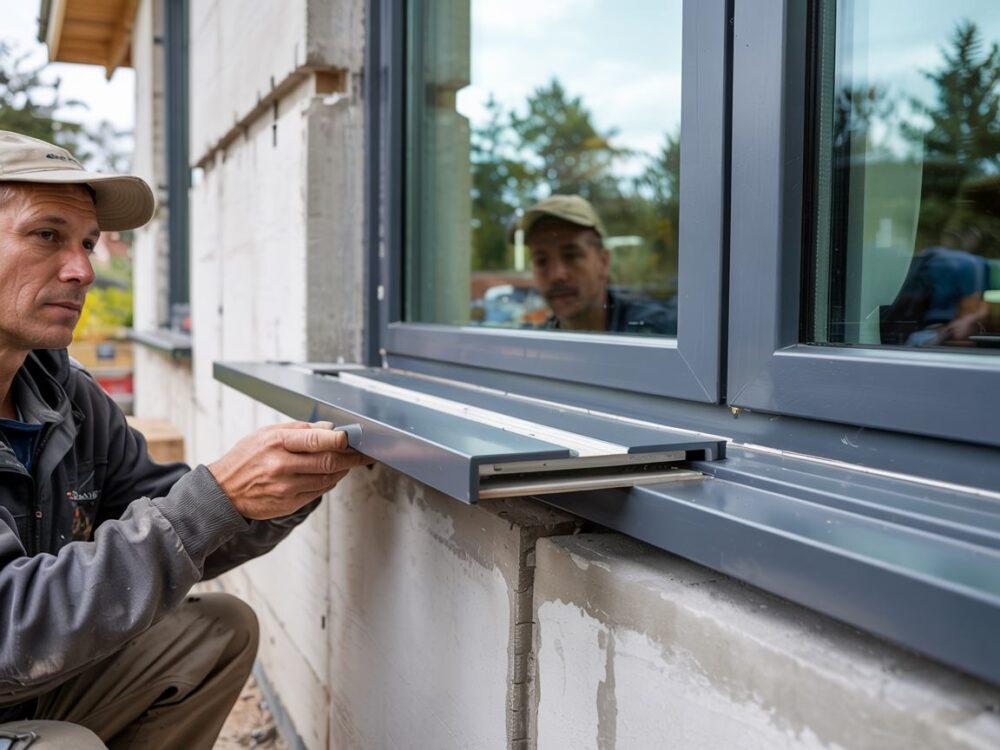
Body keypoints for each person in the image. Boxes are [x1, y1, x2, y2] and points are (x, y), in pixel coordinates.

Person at [0, 131, 369, 749]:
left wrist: (284, 484)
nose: (84, 269)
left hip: (23, 683)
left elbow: (170, 512)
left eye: (88, 243)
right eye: (47, 235)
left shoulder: (64, 396)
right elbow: (11, 627)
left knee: (213, 633)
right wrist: (217, 495)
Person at [513, 194, 677, 335]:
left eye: (571, 256)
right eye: (541, 261)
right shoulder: (536, 341)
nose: (557, 275)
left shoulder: (659, 333)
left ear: (604, 262)